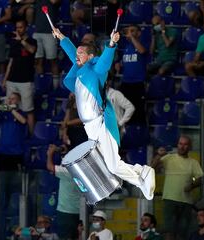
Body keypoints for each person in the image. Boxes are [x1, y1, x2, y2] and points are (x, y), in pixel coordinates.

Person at [52, 27, 155, 200]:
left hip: (101, 123)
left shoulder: (96, 71)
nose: (77, 56)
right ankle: (140, 174)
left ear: (91, 57)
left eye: (81, 53)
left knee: (113, 166)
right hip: (89, 127)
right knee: (109, 165)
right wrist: (61, 36)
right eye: (77, 53)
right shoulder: (80, 69)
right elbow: (72, 52)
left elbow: (105, 62)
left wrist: (112, 44)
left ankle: (143, 174)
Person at [0, 92, 27, 238]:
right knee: (2, 189)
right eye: (9, 99)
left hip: (16, 155)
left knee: (16, 189)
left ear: (19, 101)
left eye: (13, 99)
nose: (10, 101)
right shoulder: (4, 115)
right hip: (3, 155)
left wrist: (12, 109)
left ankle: (16, 218)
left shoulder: (20, 113)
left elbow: (23, 121)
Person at [151, 136, 204, 240]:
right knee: (169, 231)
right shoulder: (169, 158)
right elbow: (152, 168)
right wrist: (158, 155)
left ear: (189, 147)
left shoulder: (193, 162)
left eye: (185, 144)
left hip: (186, 202)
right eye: (180, 143)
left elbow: (200, 180)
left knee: (182, 232)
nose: (182, 146)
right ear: (177, 144)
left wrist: (192, 185)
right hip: (170, 199)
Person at [3, 19, 37, 134]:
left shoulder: (32, 41)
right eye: (17, 27)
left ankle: (31, 135)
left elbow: (32, 50)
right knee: (10, 107)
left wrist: (21, 40)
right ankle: (12, 134)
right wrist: (5, 79)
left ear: (26, 27)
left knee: (28, 110)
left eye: (21, 27)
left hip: (26, 81)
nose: (18, 29)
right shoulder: (13, 42)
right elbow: (11, 61)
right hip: (11, 80)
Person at [46, 144, 81, 240]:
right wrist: (63, 151)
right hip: (78, 211)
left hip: (65, 213)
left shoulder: (67, 171)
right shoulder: (81, 170)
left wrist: (50, 154)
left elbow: (50, 167)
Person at [118, 24, 148, 125]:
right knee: (123, 109)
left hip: (138, 83)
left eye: (133, 30)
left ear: (138, 33)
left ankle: (139, 133)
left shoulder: (143, 43)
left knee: (138, 110)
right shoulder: (126, 47)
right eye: (128, 31)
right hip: (126, 83)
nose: (129, 33)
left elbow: (142, 51)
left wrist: (131, 37)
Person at [33, 0, 61, 88]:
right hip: (37, 32)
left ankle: (55, 86)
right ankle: (40, 85)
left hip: (50, 33)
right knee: (38, 61)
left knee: (53, 60)